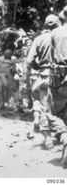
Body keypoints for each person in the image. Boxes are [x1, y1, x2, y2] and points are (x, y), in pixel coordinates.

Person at [26, 14, 61, 149]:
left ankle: (48, 139)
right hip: (63, 76)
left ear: (45, 25)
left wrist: (39, 67)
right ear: (58, 23)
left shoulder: (39, 39)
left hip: (45, 75)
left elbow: (30, 61)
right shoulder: (63, 36)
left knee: (45, 108)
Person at [49, 16, 67, 167]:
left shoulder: (55, 33)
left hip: (59, 78)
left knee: (53, 113)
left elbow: (51, 59)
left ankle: (64, 137)